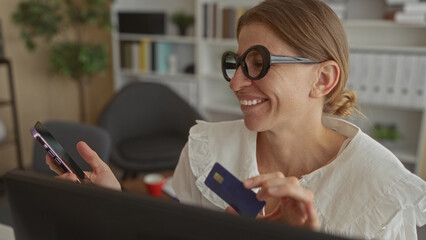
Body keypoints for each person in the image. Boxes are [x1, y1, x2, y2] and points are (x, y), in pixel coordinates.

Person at [47, 0, 425, 239]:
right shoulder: (206, 148)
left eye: (259, 64)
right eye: (238, 64)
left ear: (323, 79)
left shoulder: (385, 192)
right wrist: (118, 203)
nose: (237, 82)